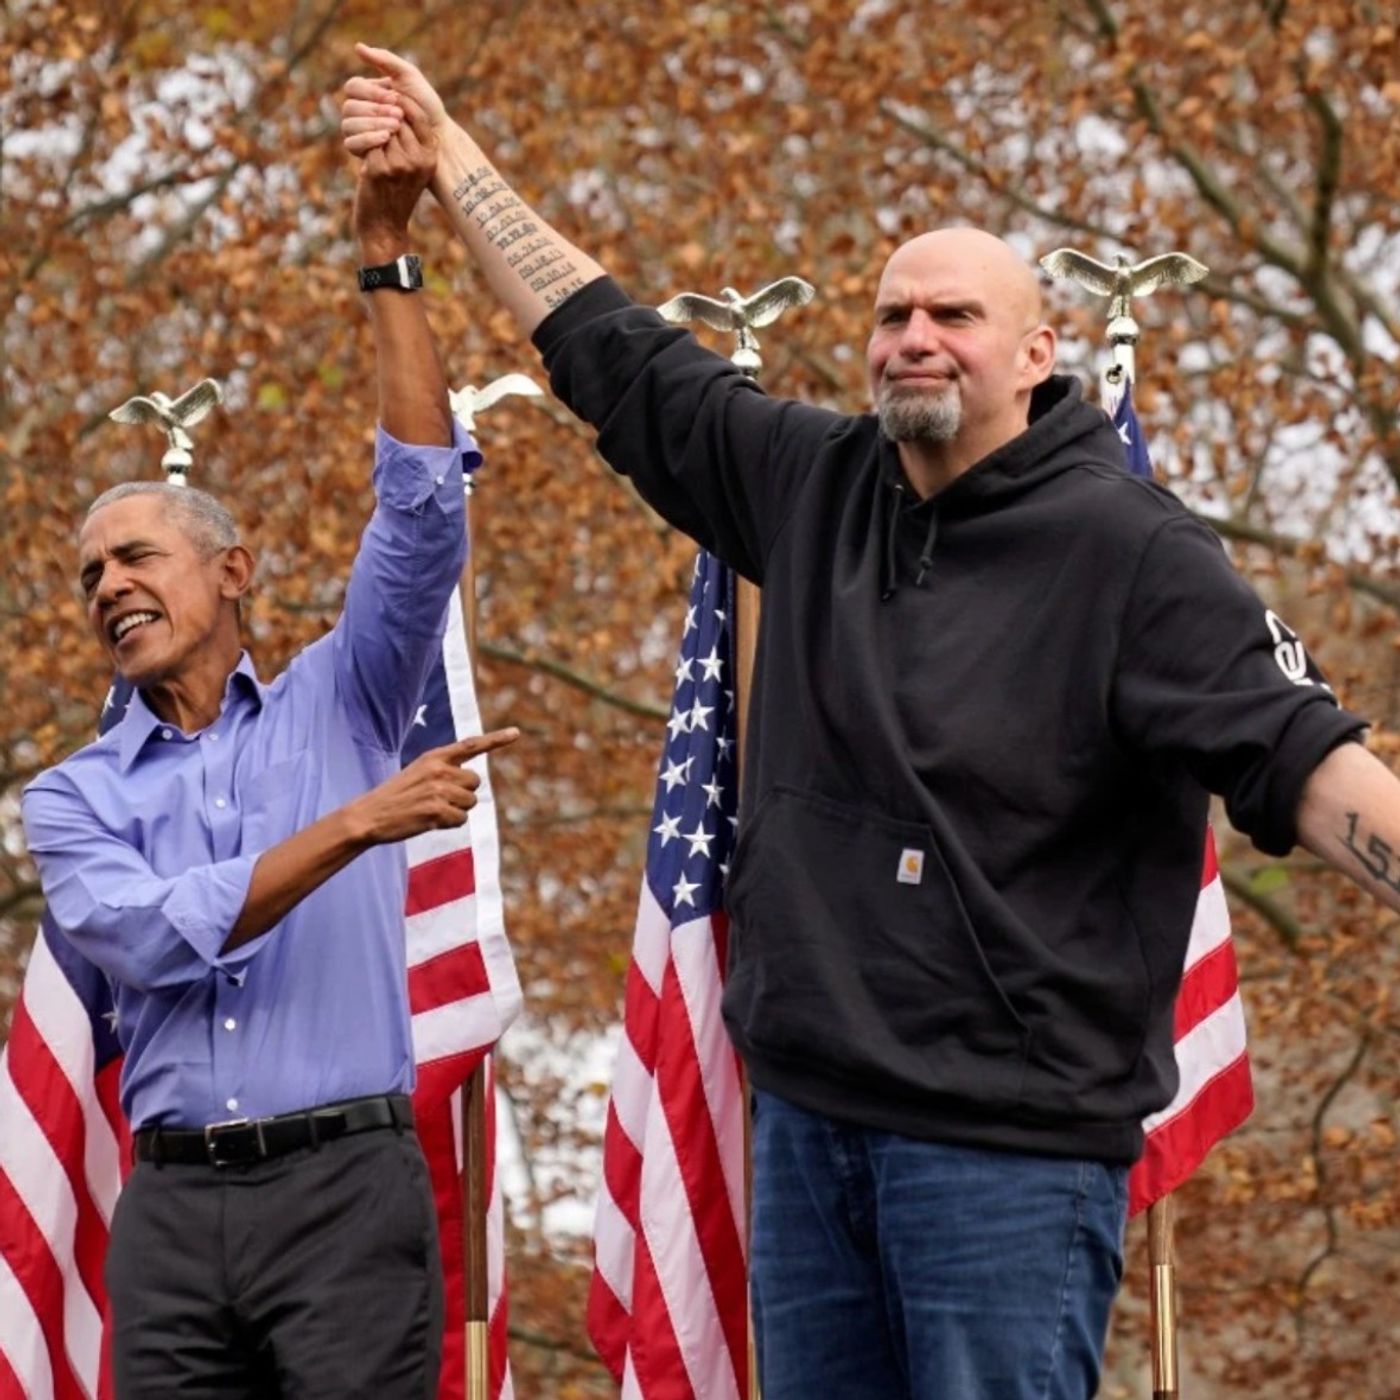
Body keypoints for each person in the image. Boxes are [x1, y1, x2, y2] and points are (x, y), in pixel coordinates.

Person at [342, 50, 1400, 1400]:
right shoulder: (812, 485)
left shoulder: (1135, 557)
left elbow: (1304, 759)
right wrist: (451, 163)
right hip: (808, 1131)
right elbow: (608, 347)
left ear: (1036, 354)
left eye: (952, 313)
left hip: (1007, 1166)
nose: (912, 335)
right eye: (892, 311)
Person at [21, 94, 518, 1399]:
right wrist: (355, 824)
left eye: (135, 556)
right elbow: (144, 938)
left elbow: (419, 509)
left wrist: (383, 258)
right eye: (87, 576)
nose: (107, 587)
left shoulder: (343, 700)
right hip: (173, 1221)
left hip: (346, 1197)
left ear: (231, 571)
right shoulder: (69, 797)